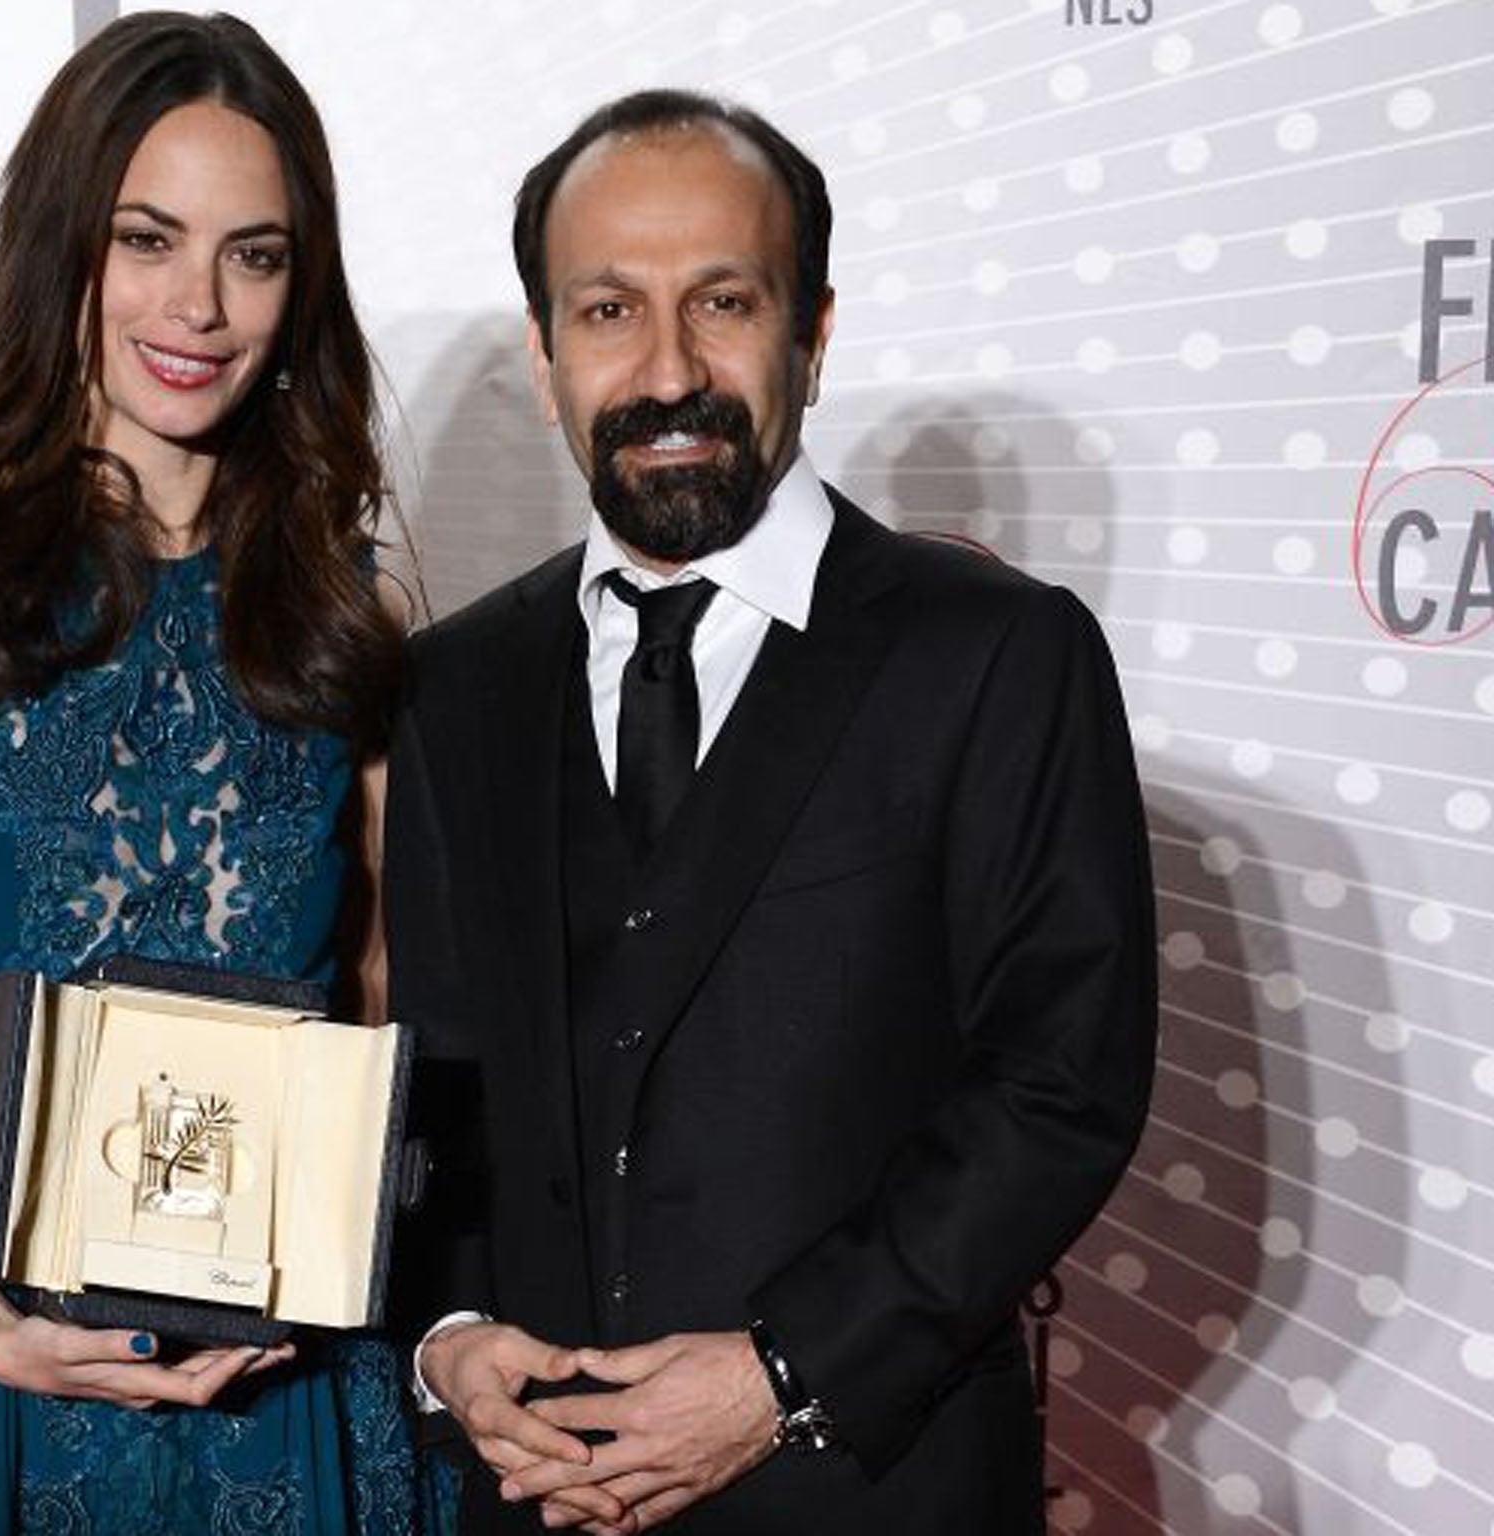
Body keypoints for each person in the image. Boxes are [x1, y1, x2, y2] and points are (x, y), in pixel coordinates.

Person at [384, 90, 1157, 1535]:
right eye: (608, 311)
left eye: (722, 302)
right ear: (546, 360)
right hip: (541, 1498)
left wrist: (786, 1372)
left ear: (812, 329)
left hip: (871, 1484)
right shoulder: (457, 687)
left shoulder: (993, 654)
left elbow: (1063, 1082)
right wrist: (451, 1336)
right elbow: (438, 1077)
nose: (668, 369)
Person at [0, 14, 453, 1533]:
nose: (197, 303)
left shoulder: (353, 609)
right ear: (67, 243)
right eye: (148, 239)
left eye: (254, 256)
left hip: (283, 1375)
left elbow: (383, 1011)